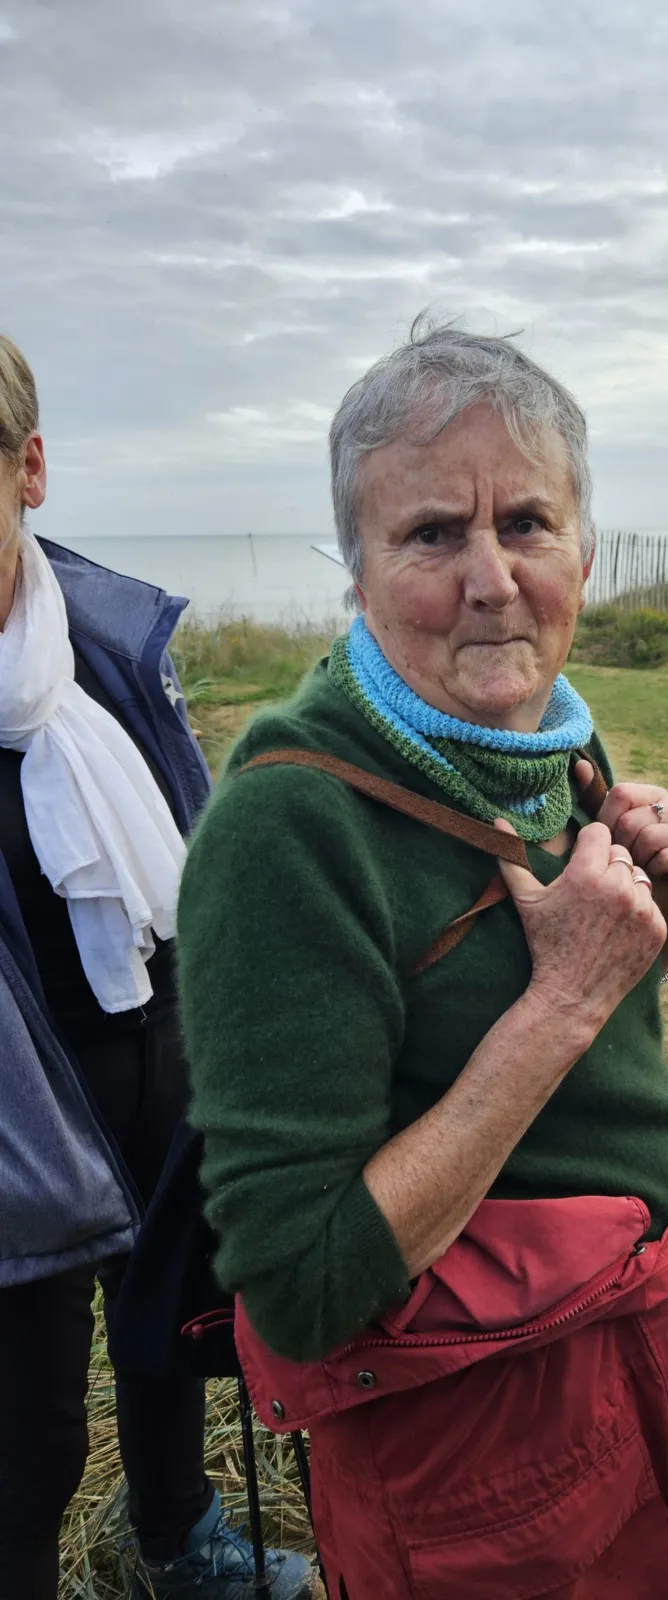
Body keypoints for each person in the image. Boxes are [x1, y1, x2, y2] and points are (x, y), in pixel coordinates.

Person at [176, 320, 668, 1600]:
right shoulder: (286, 828)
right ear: (356, 576)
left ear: (586, 549)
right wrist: (565, 998)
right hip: (466, 1436)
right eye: (430, 534)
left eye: (526, 522)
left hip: (613, 1339)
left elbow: (540, 1049)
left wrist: (645, 927)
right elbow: (300, 1285)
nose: (492, 578)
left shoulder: (545, 745)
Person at [0, 333, 314, 1599]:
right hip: (17, 1114)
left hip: (158, 1040)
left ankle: (177, 1540)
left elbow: (187, 844)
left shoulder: (110, 645)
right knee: (25, 1426)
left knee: (172, 1319)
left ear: (29, 469)